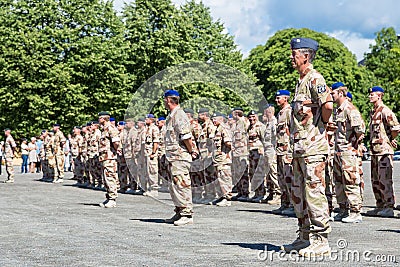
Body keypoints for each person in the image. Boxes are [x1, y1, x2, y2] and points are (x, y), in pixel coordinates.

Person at [281, 37, 333, 257]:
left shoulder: (314, 78)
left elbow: (327, 105)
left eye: (295, 54)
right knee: (299, 194)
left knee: (314, 194)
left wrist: (319, 129)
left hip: (313, 148)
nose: (291, 58)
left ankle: (321, 241)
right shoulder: (300, 81)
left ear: (306, 55)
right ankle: (304, 237)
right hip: (300, 149)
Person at [330, 82, 365, 223]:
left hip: (348, 152)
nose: (331, 95)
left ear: (341, 93)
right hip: (338, 152)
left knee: (351, 182)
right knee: (339, 183)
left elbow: (360, 131)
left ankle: (355, 212)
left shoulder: (350, 109)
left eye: (333, 93)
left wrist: (353, 147)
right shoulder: (337, 110)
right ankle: (343, 210)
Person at [163, 89, 196, 226]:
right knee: (174, 186)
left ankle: (187, 214)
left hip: (180, 156)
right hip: (173, 156)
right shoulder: (171, 115)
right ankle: (179, 211)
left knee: (182, 184)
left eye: (164, 100)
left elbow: (186, 136)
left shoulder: (179, 115)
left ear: (168, 100)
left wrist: (192, 151)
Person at [366, 86, 400, 217]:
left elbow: (396, 127)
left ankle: (389, 206)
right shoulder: (373, 112)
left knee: (385, 179)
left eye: (372, 94)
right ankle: (379, 205)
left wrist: (391, 138)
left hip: (384, 151)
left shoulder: (385, 111)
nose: (370, 96)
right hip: (375, 151)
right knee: (375, 180)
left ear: (379, 96)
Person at [273, 90, 295, 215]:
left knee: (289, 178)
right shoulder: (280, 113)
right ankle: (284, 203)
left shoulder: (289, 112)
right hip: (280, 149)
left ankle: (293, 205)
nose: (276, 100)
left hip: (287, 150)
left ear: (285, 98)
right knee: (281, 179)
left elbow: (292, 130)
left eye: (278, 98)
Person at [98, 111, 120, 208]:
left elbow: (116, 142)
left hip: (109, 157)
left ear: (103, 118)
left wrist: (115, 151)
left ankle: (112, 199)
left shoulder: (111, 128)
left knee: (110, 177)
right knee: (106, 178)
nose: (98, 120)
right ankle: (108, 197)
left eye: (99, 118)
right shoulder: (104, 129)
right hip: (104, 157)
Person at [210, 112, 233, 207]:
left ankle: (227, 198)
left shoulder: (224, 128)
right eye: (213, 119)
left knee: (225, 178)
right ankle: (222, 196)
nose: (213, 120)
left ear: (221, 119)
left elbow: (229, 143)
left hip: (224, 159)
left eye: (215, 119)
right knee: (219, 179)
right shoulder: (217, 129)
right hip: (218, 159)